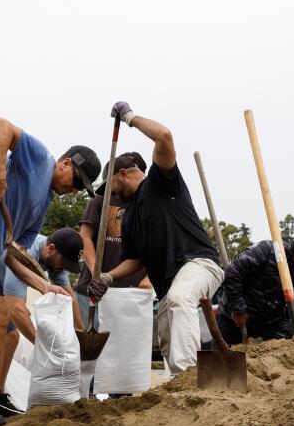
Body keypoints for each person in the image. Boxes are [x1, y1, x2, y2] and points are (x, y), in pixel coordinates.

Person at [0, 116, 99, 426]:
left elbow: (13, 254)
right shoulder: (41, 160)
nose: (73, 190)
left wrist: (44, 286)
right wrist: (0, 175)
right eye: (76, 180)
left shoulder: (42, 204)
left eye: (79, 189)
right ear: (66, 163)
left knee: (1, 320)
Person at [87, 102, 223, 376]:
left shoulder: (160, 183)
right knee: (167, 328)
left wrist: (129, 117)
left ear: (122, 174)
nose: (109, 195)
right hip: (169, 285)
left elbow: (164, 137)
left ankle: (189, 377)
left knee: (179, 300)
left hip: (199, 264)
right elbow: (134, 260)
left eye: (110, 186)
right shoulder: (129, 218)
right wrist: (107, 278)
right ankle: (178, 386)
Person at [74, 155, 152, 328]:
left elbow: (156, 247)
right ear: (123, 175)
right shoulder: (101, 199)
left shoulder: (146, 206)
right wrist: (96, 272)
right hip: (92, 292)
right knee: (87, 349)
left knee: (123, 349)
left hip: (131, 294)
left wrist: (149, 278)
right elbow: (84, 238)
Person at [215, 232, 294, 344]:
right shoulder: (266, 252)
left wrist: (281, 337)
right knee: (224, 361)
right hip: (232, 319)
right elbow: (232, 274)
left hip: (269, 325)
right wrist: (239, 309)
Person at [4, 228, 86, 344]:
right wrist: (42, 347)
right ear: (51, 248)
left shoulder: (55, 262)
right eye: (63, 263)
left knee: (16, 325)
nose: (64, 269)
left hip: (3, 281)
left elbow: (70, 298)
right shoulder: (27, 252)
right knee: (9, 332)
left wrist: (81, 334)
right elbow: (16, 309)